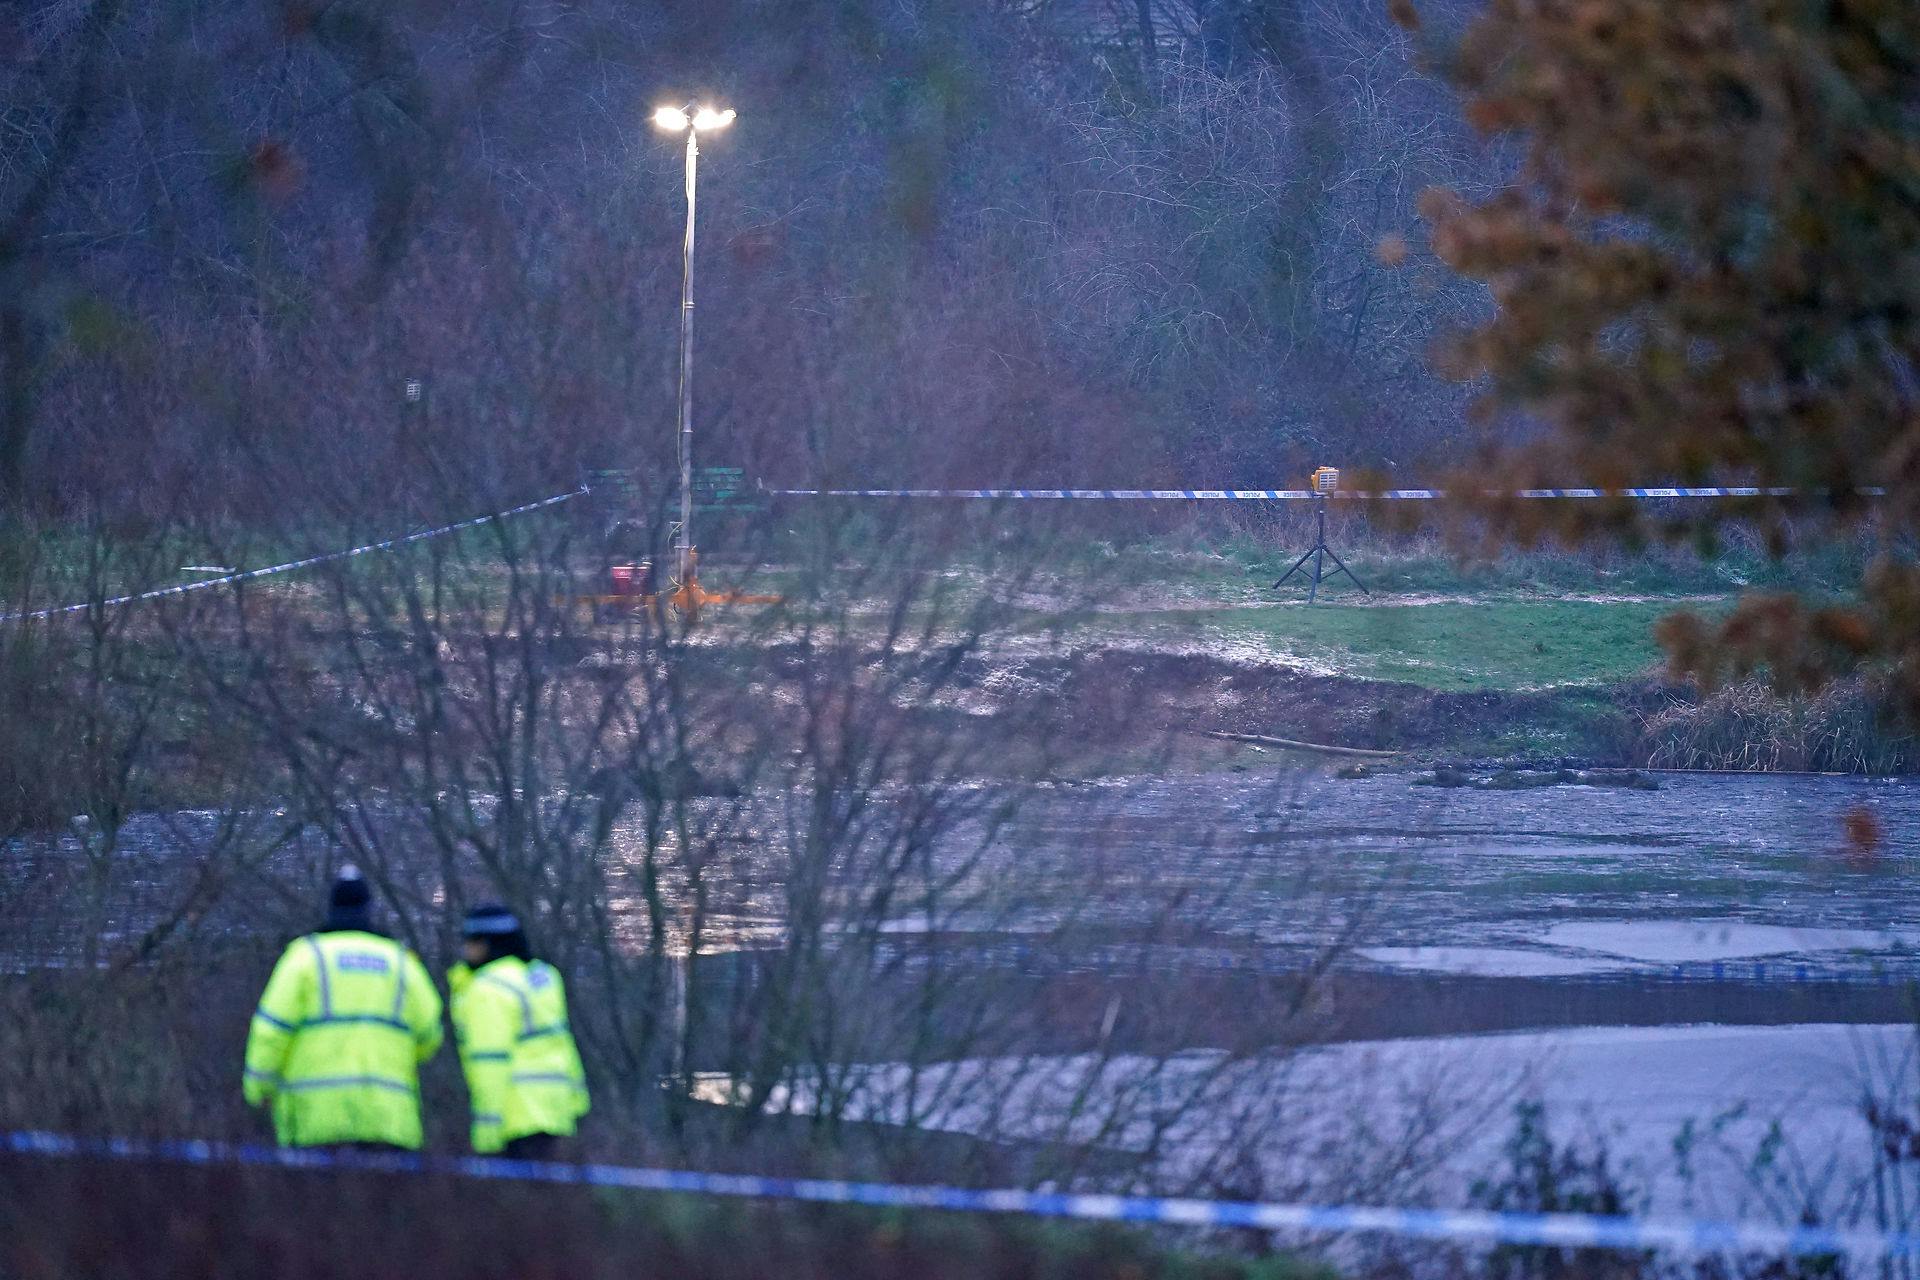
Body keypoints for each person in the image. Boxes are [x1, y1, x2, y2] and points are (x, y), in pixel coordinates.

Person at [242, 865, 443, 1150]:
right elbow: (430, 1036)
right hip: (388, 1122)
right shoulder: (401, 962)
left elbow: (271, 1032)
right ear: (369, 908)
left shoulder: (304, 958)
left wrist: (258, 1090)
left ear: (331, 906)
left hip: (314, 1121)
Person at [449, 904, 589, 1159]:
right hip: (553, 1112)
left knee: (511, 1197)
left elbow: (489, 1063)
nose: (466, 948)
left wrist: (487, 1136)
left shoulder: (488, 989)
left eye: (471, 941)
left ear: (489, 943)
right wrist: (577, 1104)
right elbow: (562, 1044)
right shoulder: (543, 977)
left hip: (513, 1118)